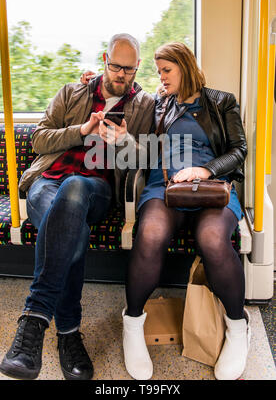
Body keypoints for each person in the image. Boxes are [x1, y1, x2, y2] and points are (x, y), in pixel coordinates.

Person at [0, 33, 155, 381]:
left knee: (73, 189)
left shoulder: (144, 106)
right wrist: (81, 129)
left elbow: (148, 159)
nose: (122, 75)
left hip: (94, 189)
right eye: (116, 66)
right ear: (104, 59)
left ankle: (34, 318)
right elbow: (39, 138)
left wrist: (125, 142)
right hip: (46, 182)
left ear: (137, 67)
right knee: (71, 225)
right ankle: (68, 333)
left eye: (129, 69)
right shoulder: (72, 92)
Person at [121, 42, 249, 381]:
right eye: (158, 71)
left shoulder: (222, 101)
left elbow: (239, 149)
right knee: (149, 233)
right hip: (164, 188)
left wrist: (205, 169)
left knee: (212, 238)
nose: (160, 77)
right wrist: (92, 85)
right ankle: (132, 322)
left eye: (167, 70)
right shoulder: (158, 103)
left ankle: (238, 327)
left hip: (211, 187)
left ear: (185, 66)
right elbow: (126, 99)